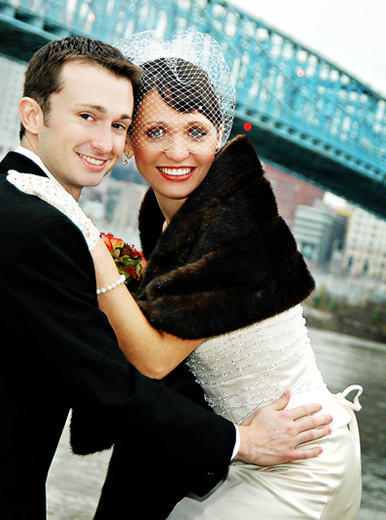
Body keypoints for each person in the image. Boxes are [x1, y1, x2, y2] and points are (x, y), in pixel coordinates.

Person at [0, 36, 332, 518]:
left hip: (299, 443)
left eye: (118, 124)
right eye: (87, 116)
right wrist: (239, 441)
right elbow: (106, 384)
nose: (105, 142)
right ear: (32, 116)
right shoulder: (41, 229)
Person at [83, 30, 363, 519]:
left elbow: (154, 361)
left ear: (219, 135)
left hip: (301, 456)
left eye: (195, 132)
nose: (177, 151)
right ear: (129, 144)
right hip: (261, 453)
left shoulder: (230, 219)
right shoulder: (170, 218)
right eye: (155, 132)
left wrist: (91, 249)